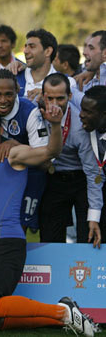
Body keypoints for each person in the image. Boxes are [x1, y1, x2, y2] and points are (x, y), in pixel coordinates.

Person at [0, 105, 97, 335]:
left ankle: (63, 311)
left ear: (0, 129)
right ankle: (63, 320)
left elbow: (50, 151)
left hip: (5, 241)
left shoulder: (12, 154)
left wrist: (56, 125)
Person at [0, 69, 49, 230]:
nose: (2, 100)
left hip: (30, 176)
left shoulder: (30, 112)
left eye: (8, 94)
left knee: (23, 226)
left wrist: (16, 146)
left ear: (17, 91)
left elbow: (45, 161)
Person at [39, 73, 102, 246]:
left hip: (80, 179)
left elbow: (92, 172)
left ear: (70, 96)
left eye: (60, 98)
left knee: (86, 237)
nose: (54, 104)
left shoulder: (80, 126)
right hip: (53, 179)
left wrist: (94, 216)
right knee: (50, 238)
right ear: (42, 95)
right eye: (49, 98)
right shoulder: (36, 113)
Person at [80, 85, 106, 241]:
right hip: (98, 189)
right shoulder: (88, 130)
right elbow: (93, 176)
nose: (81, 115)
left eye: (88, 112)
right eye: (82, 109)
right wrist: (94, 217)